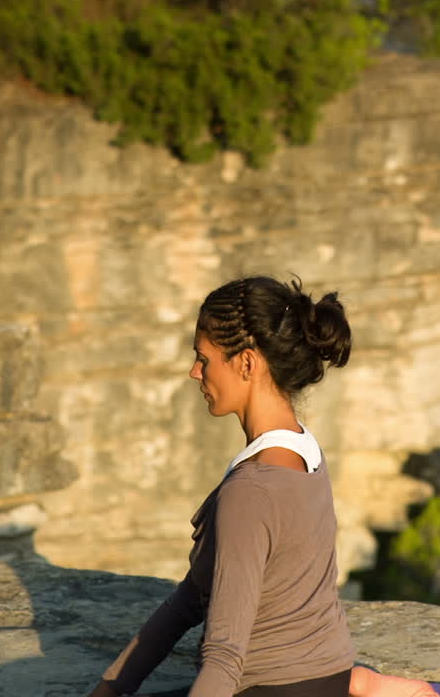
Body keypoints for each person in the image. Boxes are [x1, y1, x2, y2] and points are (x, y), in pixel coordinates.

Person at [87, 275, 366, 697]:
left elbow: (224, 659)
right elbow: (188, 602)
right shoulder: (304, 448)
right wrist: (111, 689)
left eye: (204, 359)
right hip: (329, 679)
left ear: (247, 363)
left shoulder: (251, 490)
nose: (194, 371)